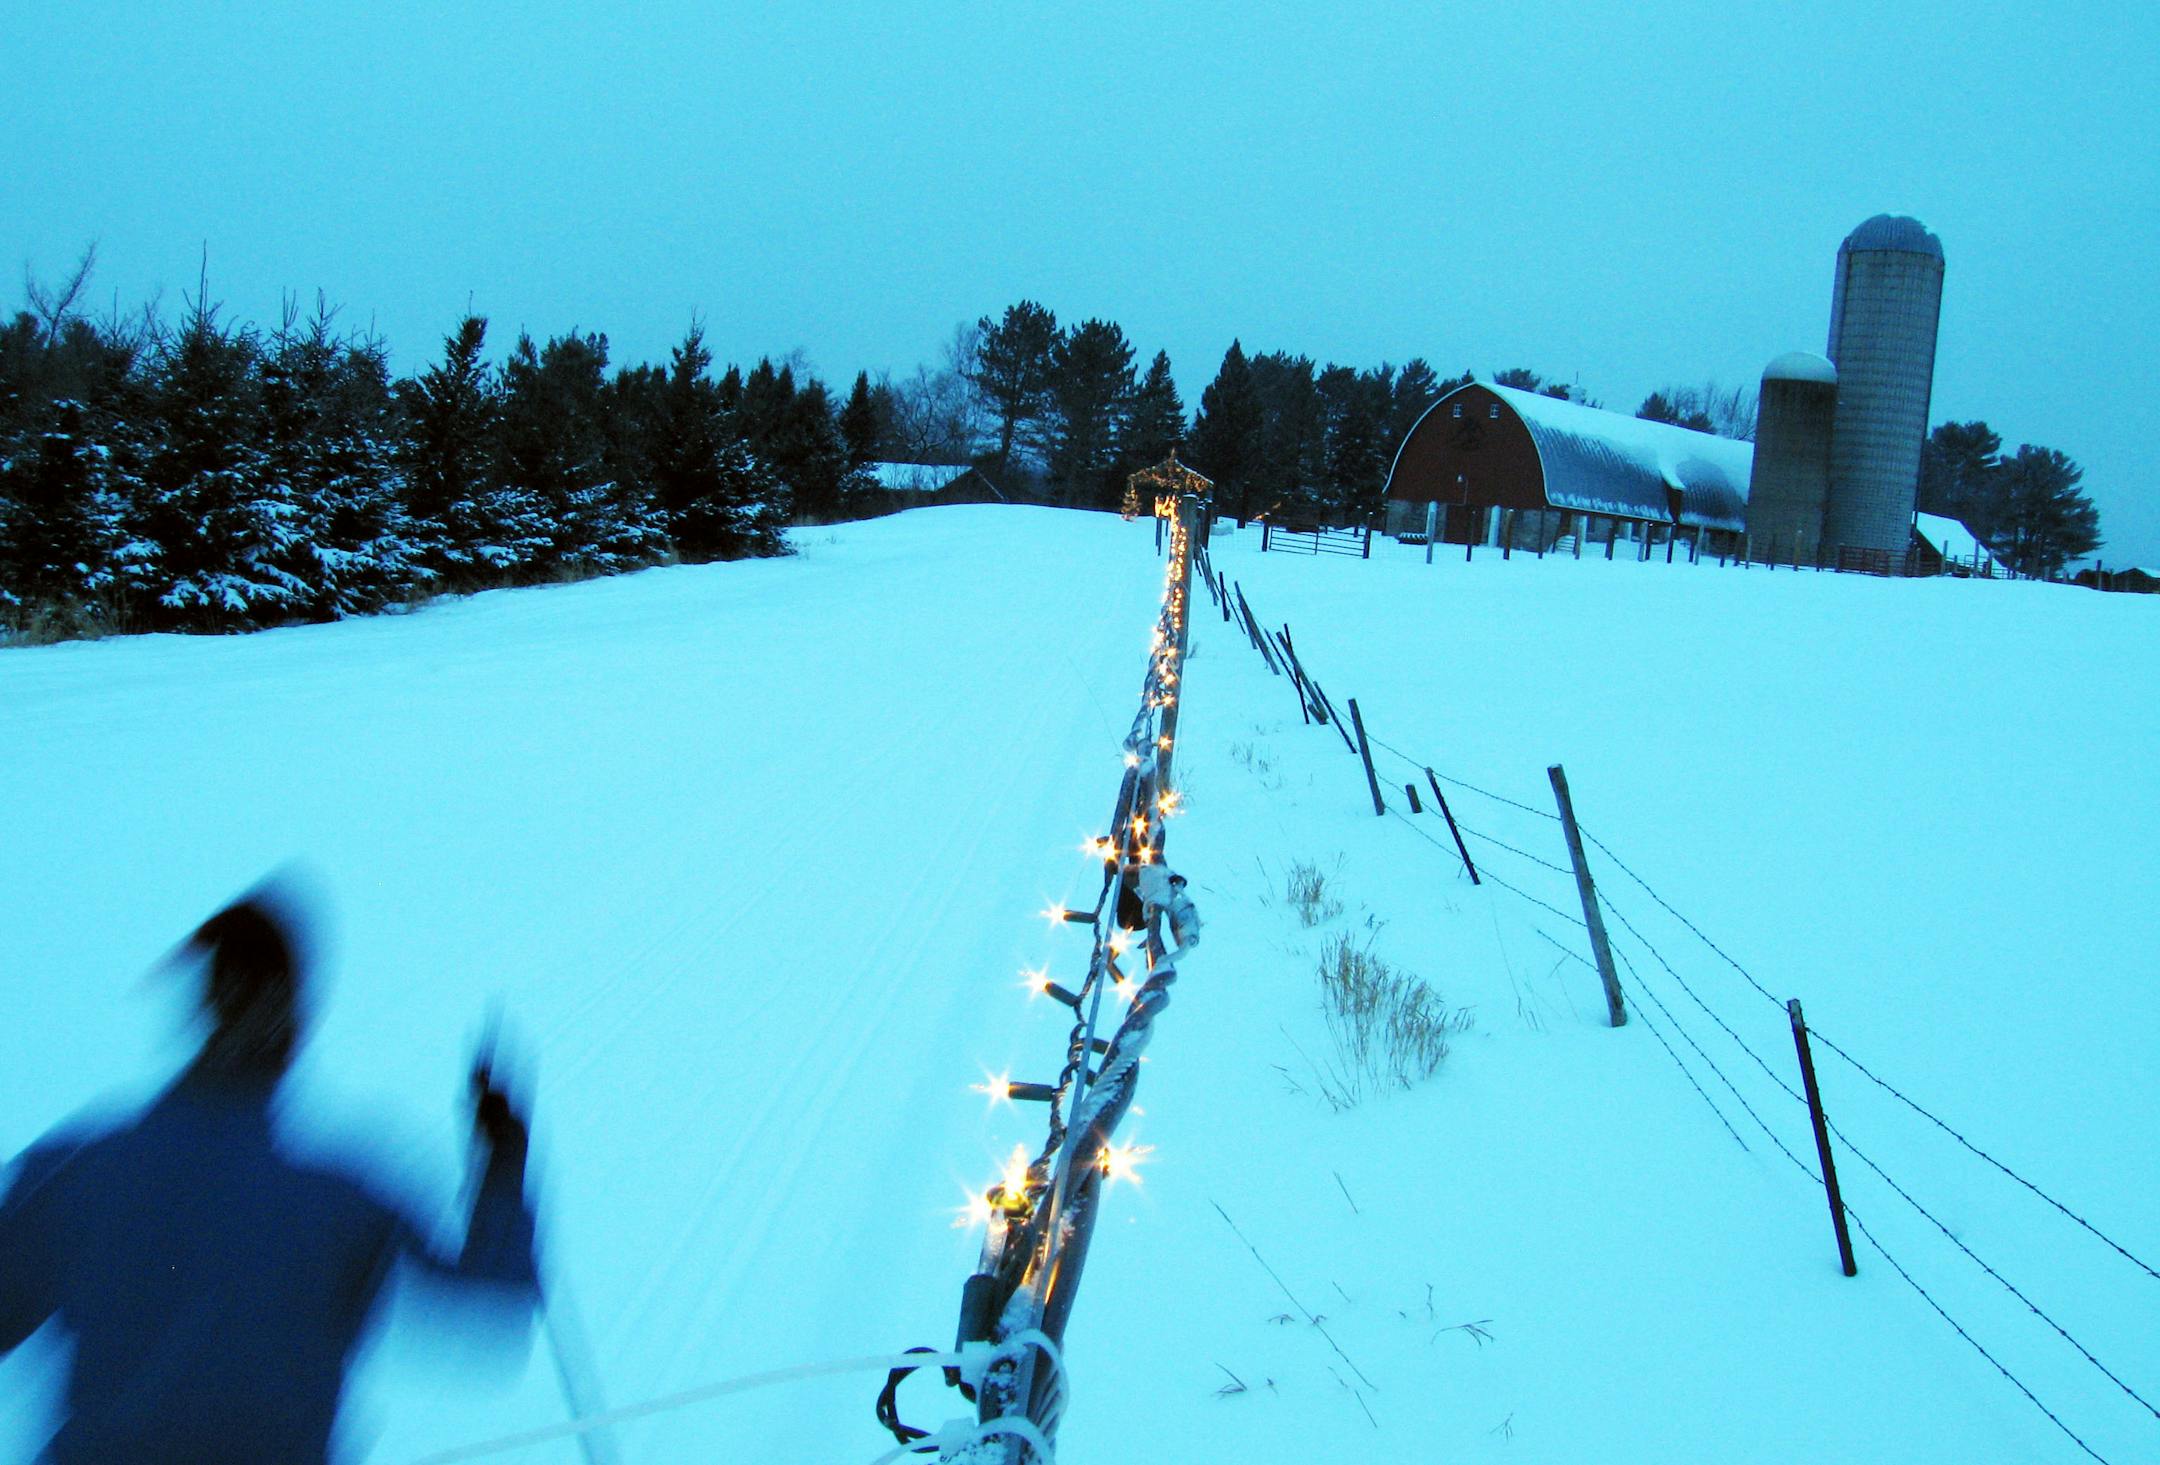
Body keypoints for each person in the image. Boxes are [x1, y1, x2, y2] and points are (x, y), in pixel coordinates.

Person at [0, 891, 540, 1463]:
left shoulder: (74, 1173)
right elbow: (492, 1301)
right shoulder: (340, 1198)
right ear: (292, 1023)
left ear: (206, 1009)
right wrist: (502, 1163)